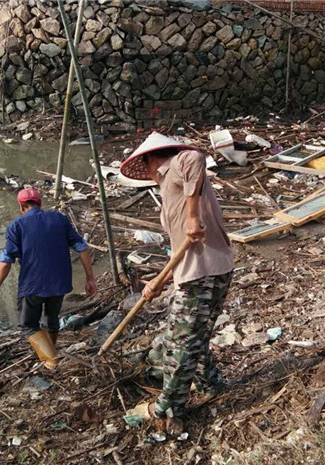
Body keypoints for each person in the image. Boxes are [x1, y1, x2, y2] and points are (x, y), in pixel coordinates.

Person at [120, 132, 234, 432]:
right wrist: (159, 281)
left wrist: (194, 217)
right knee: (193, 339)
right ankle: (211, 384)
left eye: (145, 171)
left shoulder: (176, 165)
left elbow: (196, 156)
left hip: (204, 272)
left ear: (149, 163)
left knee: (179, 344)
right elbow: (178, 249)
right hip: (197, 271)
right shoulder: (171, 194)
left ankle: (168, 407)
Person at [0, 187, 97, 369]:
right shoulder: (59, 219)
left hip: (33, 284)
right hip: (59, 282)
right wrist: (90, 278)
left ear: (22, 206)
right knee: (51, 319)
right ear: (40, 203)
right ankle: (50, 351)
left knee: (28, 325)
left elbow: (6, 261)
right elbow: (81, 247)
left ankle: (52, 360)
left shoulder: (17, 226)